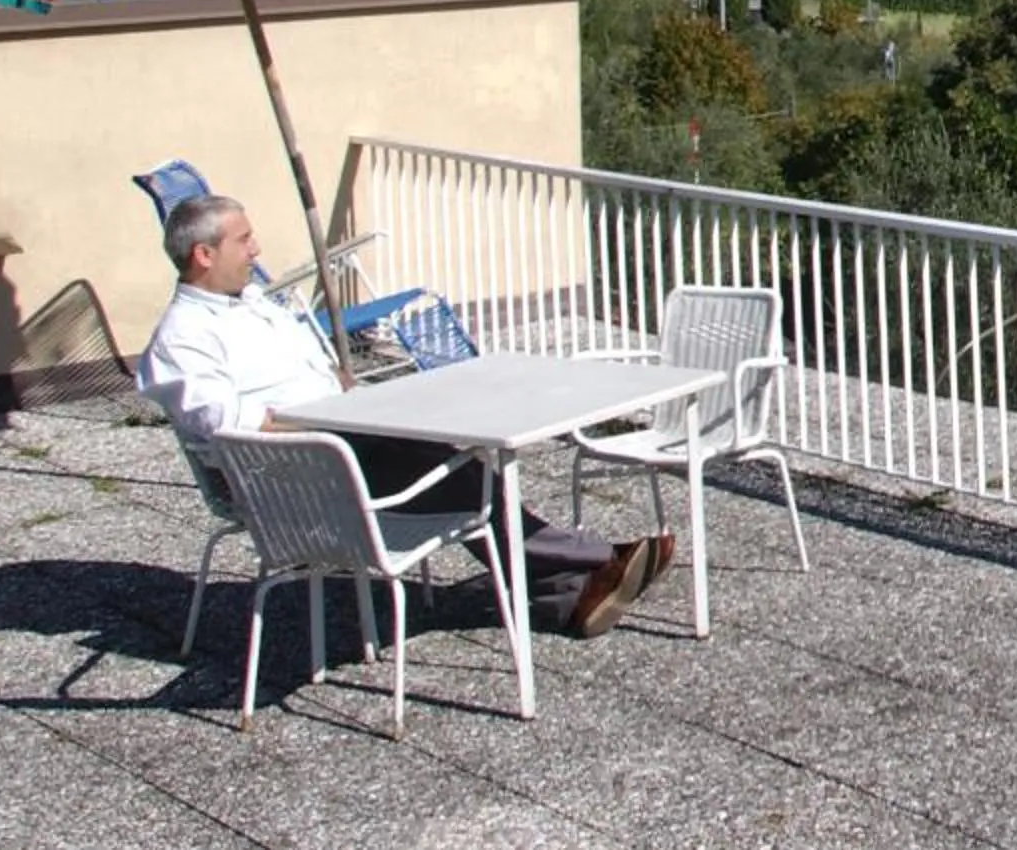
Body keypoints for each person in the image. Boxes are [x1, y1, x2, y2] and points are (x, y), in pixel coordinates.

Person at [136, 193, 668, 638]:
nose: (256, 249)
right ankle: (597, 558)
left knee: (459, 460)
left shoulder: (252, 302)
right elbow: (225, 422)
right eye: (244, 239)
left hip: (337, 440)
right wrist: (323, 421)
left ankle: (569, 594)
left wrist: (355, 400)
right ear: (204, 254)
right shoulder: (182, 338)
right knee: (462, 476)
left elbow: (318, 371)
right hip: (293, 476)